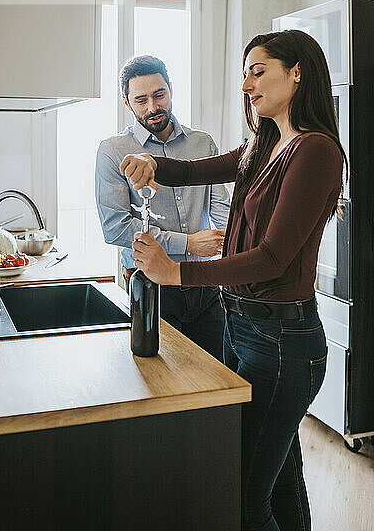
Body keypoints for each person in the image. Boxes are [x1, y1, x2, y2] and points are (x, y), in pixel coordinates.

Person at [119, 31, 348, 531]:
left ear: (297, 72)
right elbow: (196, 168)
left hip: (283, 343)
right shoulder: (263, 145)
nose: (246, 84)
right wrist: (152, 162)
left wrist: (176, 272)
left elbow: (270, 259)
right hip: (243, 330)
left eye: (257, 70)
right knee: (278, 478)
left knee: (242, 494)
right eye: (245, 73)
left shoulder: (314, 151)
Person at [95, 55, 231, 362]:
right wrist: (190, 242)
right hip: (151, 288)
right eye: (141, 100)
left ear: (170, 90)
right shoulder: (113, 151)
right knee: (159, 381)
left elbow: (222, 208)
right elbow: (115, 227)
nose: (153, 107)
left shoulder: (203, 144)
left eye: (159, 95)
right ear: (127, 104)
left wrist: (233, 246)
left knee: (215, 380)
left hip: (203, 284)